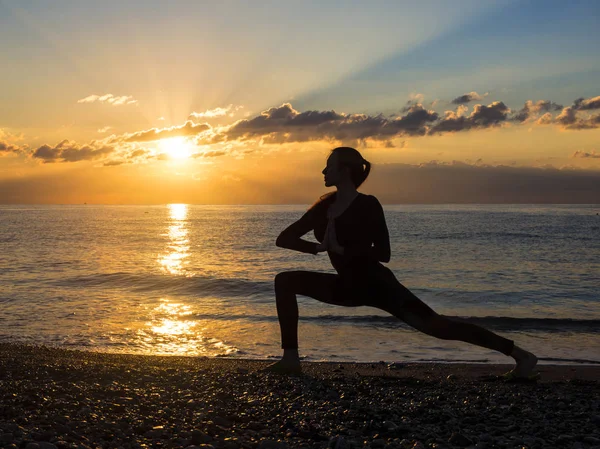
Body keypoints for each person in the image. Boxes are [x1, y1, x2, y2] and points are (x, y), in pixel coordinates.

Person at [267, 146, 538, 378]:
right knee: (284, 281)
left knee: (438, 327)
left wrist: (343, 249)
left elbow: (383, 253)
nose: (323, 172)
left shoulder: (368, 205)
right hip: (346, 286)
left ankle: (521, 356)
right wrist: (318, 247)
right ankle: (291, 359)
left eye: (329, 166)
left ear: (345, 170)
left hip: (378, 285)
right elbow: (285, 238)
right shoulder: (325, 208)